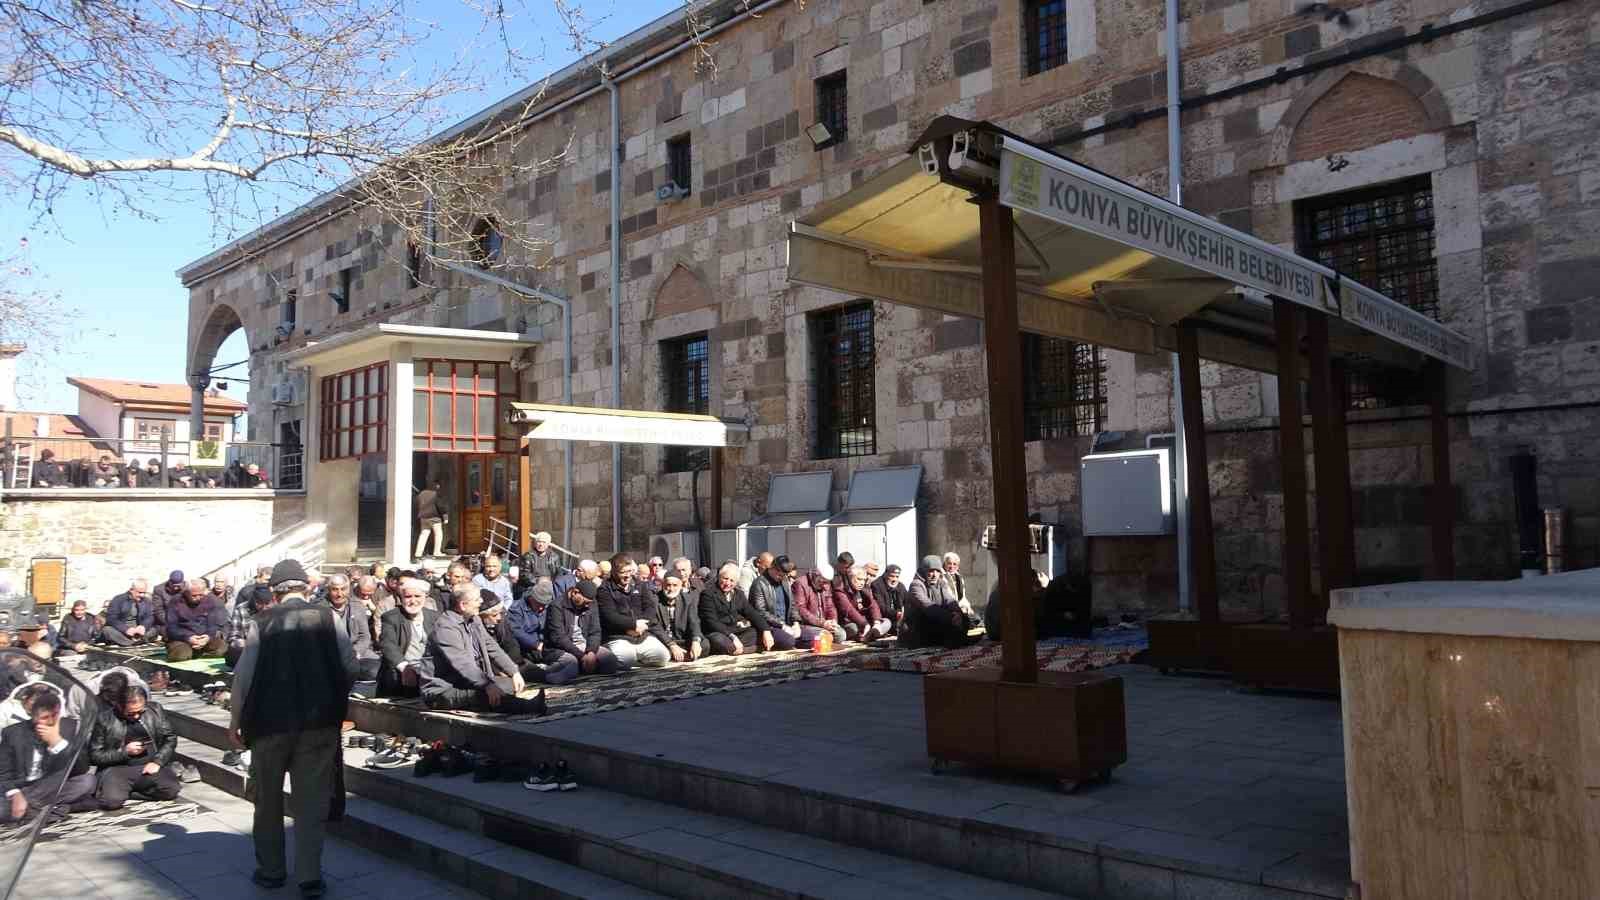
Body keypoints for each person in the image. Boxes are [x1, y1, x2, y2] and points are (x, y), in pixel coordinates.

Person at [228, 558, 356, 896]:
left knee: (267, 801)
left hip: (270, 725)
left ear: (274, 590)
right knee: (311, 803)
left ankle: (271, 871)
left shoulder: (262, 621)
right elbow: (349, 666)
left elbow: (245, 676)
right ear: (306, 586)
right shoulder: (330, 617)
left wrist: (235, 719)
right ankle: (309, 877)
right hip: (318, 723)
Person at [422, 585, 545, 715]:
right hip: (443, 690)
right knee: (487, 694)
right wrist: (487, 685)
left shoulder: (473, 619)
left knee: (507, 685)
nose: (481, 601)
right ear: (463, 605)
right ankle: (528, 707)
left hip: (466, 682)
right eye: (476, 599)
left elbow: (491, 647)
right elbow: (463, 663)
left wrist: (513, 671)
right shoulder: (446, 628)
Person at [0, 690, 96, 824]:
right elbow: (3, 773)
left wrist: (58, 742)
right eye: (44, 717)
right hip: (24, 788)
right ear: (32, 716)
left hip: (53, 785)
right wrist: (15, 794)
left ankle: (34, 810)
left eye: (54, 715)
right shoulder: (12, 733)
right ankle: (54, 809)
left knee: (87, 782)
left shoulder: (70, 727)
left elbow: (82, 768)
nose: (50, 721)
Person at [88, 683, 182, 810]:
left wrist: (158, 762)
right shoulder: (105, 719)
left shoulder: (155, 710)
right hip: (118, 769)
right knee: (110, 802)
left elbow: (170, 738)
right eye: (130, 713)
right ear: (120, 706)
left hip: (148, 766)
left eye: (140, 712)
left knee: (171, 790)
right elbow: (95, 756)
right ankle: (120, 792)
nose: (136, 716)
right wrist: (124, 752)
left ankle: (129, 793)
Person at [596, 554, 672, 670]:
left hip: (642, 634)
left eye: (630, 571)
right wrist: (632, 625)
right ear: (614, 572)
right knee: (625, 660)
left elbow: (650, 607)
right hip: (618, 636)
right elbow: (609, 616)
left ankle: (636, 661)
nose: (627, 576)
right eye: (623, 572)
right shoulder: (604, 589)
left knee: (663, 658)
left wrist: (643, 624)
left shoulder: (639, 584)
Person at [699, 562, 791, 655]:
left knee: (783, 639)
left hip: (738, 631)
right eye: (725, 579)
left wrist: (765, 630)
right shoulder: (708, 594)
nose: (728, 583)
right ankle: (753, 648)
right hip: (720, 632)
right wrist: (732, 637)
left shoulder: (738, 594)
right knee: (721, 642)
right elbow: (711, 622)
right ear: (719, 577)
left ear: (736, 582)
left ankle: (744, 648)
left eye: (732, 580)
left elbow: (752, 613)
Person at [543, 580, 619, 680]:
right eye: (585, 602)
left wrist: (591, 652)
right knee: (571, 664)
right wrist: (582, 656)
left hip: (584, 644)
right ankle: (544, 673)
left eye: (589, 603)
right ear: (575, 592)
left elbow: (595, 631)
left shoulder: (591, 604)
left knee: (610, 660)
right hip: (560, 648)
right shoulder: (556, 606)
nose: (587, 605)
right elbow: (558, 637)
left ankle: (584, 668)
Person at [506, 581, 578, 684]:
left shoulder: (548, 606)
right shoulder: (516, 608)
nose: (541, 608)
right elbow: (516, 631)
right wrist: (535, 644)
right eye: (539, 604)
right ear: (531, 598)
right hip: (527, 648)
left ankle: (546, 671)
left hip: (547, 645)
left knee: (571, 661)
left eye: (544, 605)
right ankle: (542, 674)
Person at [377, 577, 438, 698]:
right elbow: (387, 645)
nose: (413, 601)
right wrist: (405, 667)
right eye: (408, 597)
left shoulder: (434, 617)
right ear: (401, 598)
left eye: (417, 596)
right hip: (401, 674)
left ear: (425, 597)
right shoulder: (391, 617)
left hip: (429, 673)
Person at [905, 555, 978, 649]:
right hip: (919, 627)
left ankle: (958, 639)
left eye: (937, 571)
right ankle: (958, 640)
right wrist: (951, 617)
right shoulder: (916, 585)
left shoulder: (941, 583)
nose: (934, 574)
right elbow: (928, 607)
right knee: (939, 619)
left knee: (965, 618)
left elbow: (950, 601)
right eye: (931, 571)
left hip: (937, 619)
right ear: (924, 571)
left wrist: (958, 614)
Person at [321, 574, 380, 682]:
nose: (339, 594)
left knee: (376, 670)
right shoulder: (319, 608)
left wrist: (355, 653)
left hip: (355, 652)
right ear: (328, 590)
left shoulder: (357, 606)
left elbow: (364, 636)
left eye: (343, 589)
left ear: (348, 589)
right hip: (330, 654)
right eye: (335, 590)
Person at [748, 556, 807, 648]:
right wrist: (782, 625)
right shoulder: (759, 584)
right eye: (780, 575)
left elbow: (792, 605)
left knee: (816, 636)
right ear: (773, 569)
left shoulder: (784, 581)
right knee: (789, 641)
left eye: (784, 575)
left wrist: (796, 623)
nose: (782, 578)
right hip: (770, 626)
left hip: (787, 624)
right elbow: (760, 611)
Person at [166, 579, 225, 661]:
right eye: (194, 595)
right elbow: (171, 628)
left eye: (201, 595)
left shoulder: (210, 601)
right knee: (181, 654)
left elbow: (212, 624)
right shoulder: (175, 601)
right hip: (182, 640)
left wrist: (208, 637)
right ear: (186, 592)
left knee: (222, 648)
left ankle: (198, 653)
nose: (198, 598)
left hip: (203, 639)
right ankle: (191, 653)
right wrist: (188, 637)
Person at [652, 571, 704, 661]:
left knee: (705, 644)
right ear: (662, 585)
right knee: (656, 649)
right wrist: (671, 644)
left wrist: (696, 641)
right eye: (668, 585)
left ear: (680, 587)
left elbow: (694, 622)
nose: (671, 589)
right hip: (663, 641)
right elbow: (654, 626)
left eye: (675, 585)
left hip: (681, 640)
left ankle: (682, 653)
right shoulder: (654, 600)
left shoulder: (688, 600)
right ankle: (679, 653)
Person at [833, 567, 892, 642]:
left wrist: (876, 622)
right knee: (853, 628)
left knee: (886, 622)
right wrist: (864, 624)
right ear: (850, 577)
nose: (862, 583)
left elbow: (873, 605)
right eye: (859, 579)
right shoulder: (841, 590)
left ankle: (868, 634)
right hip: (850, 622)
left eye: (864, 580)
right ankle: (869, 635)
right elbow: (849, 610)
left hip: (866, 622)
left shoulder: (864, 589)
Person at [792, 569, 848, 646]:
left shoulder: (826, 585)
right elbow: (801, 609)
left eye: (827, 582)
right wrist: (822, 623)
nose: (825, 586)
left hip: (822, 624)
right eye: (823, 582)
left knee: (841, 635)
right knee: (822, 636)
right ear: (816, 576)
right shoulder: (800, 583)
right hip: (807, 624)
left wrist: (833, 621)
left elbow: (830, 606)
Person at [103, 578, 158, 645]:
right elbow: (111, 619)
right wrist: (125, 629)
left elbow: (150, 616)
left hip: (139, 632)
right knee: (107, 630)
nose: (142, 595)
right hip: (122, 632)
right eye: (140, 592)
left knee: (155, 630)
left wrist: (143, 626)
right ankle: (132, 643)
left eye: (144, 593)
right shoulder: (118, 600)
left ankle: (136, 641)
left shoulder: (146, 601)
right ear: (131, 590)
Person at [871, 564, 908, 635]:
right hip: (883, 618)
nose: (894, 579)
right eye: (892, 576)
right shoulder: (876, 585)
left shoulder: (900, 586)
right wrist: (897, 614)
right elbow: (881, 607)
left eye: (897, 577)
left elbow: (908, 602)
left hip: (898, 618)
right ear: (885, 575)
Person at [414, 481, 447, 558]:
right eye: (438, 486)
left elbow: (416, 503)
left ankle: (418, 553)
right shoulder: (435, 494)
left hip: (423, 517)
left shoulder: (421, 494)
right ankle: (437, 552)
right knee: (438, 534)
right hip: (434, 517)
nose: (439, 488)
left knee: (423, 535)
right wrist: (445, 517)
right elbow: (440, 506)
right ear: (435, 486)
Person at [151, 569, 187, 635]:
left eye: (178, 586)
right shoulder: (159, 590)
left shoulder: (187, 589)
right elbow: (158, 610)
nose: (176, 588)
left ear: (182, 583)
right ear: (169, 582)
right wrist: (171, 622)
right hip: (166, 622)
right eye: (173, 586)